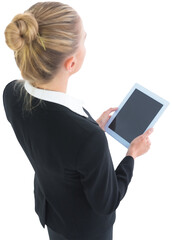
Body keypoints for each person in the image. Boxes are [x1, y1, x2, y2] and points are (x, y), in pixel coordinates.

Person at [3, 2, 153, 240]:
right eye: (83, 39)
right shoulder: (87, 138)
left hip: (52, 212)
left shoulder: (11, 94)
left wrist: (93, 125)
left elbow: (53, 139)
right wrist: (132, 154)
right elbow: (107, 201)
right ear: (71, 64)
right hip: (87, 231)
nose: (85, 41)